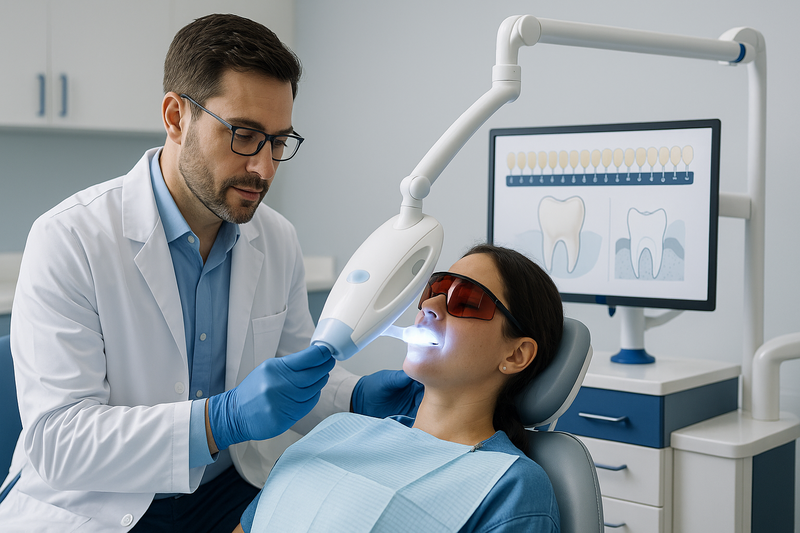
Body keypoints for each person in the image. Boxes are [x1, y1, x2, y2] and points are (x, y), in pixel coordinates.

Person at [0, 14, 421, 533]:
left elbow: (292, 370)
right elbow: (59, 442)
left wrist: (353, 396)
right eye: (244, 135)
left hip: (226, 486)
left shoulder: (276, 239)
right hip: (101, 501)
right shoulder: (69, 238)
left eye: (278, 141)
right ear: (176, 117)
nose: (264, 168)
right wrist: (219, 421)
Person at [236, 244, 564, 532]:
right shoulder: (339, 429)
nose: (430, 306)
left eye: (465, 300)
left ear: (516, 354)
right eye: (434, 290)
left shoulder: (512, 486)